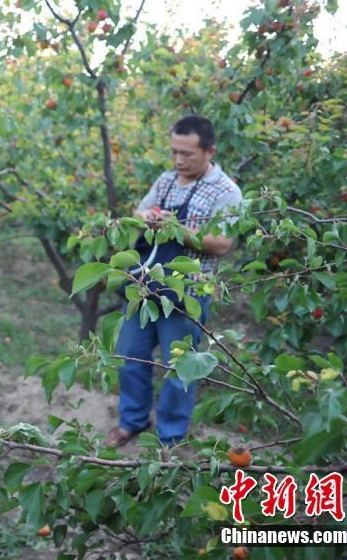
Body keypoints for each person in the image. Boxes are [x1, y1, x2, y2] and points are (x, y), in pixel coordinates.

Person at [105, 115, 242, 448]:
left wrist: (178, 229)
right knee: (130, 356)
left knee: (180, 368)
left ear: (209, 151)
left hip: (186, 293)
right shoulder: (166, 180)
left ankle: (170, 437)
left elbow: (223, 243)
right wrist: (149, 218)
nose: (179, 161)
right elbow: (138, 212)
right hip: (146, 286)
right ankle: (133, 420)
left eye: (187, 154)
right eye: (174, 153)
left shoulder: (227, 192)